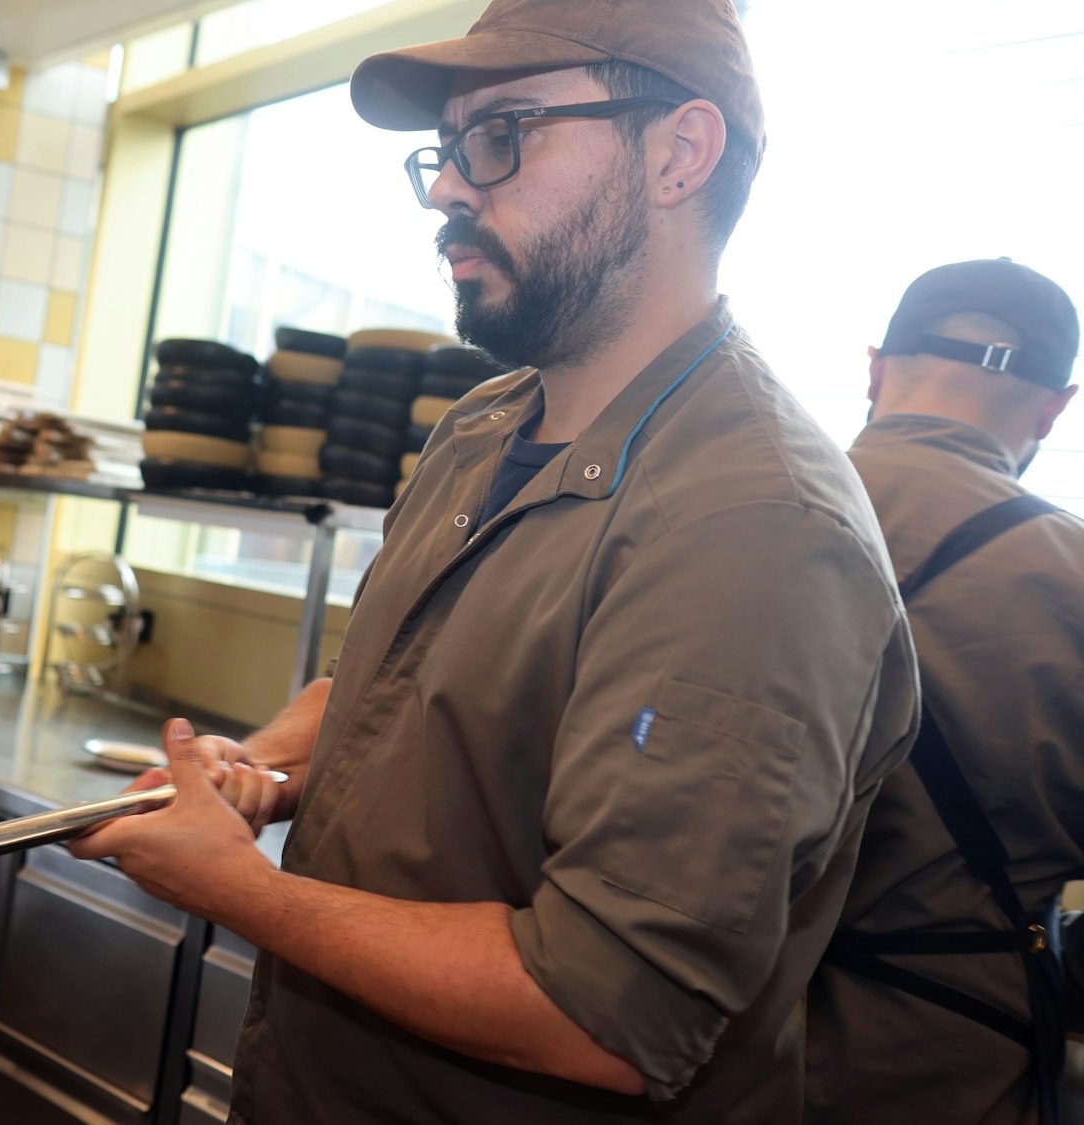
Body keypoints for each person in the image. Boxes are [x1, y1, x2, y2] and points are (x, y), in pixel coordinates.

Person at [68, 0, 921, 1120]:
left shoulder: (754, 526)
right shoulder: (482, 426)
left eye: (503, 133)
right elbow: (396, 689)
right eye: (446, 147)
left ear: (679, 152)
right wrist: (262, 766)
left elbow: (604, 1011)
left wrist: (236, 889)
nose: (445, 189)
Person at [807, 259, 1083, 1125]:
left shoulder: (721, 507)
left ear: (875, 368)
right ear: (1055, 408)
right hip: (940, 1066)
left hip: (689, 1041)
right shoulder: (1071, 579)